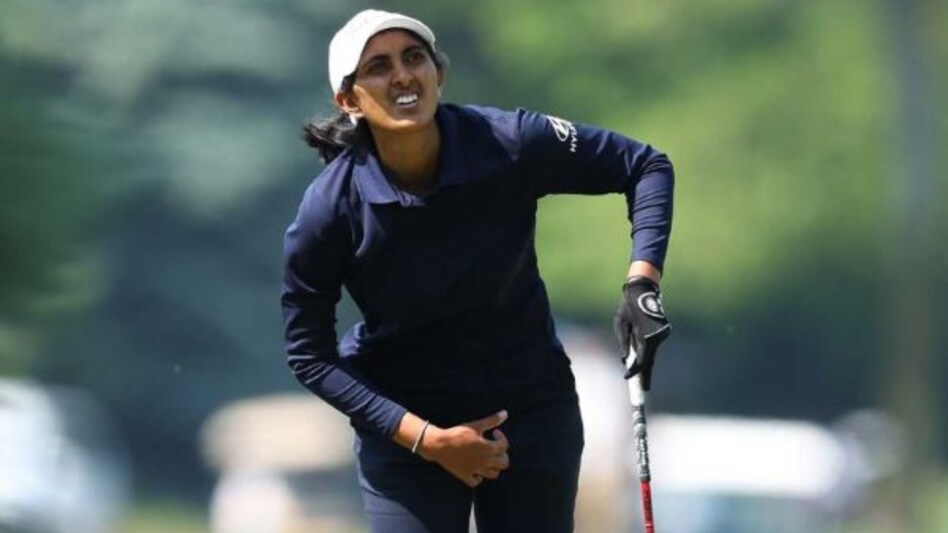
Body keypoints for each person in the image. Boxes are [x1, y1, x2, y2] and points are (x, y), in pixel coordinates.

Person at [281, 9, 674, 533]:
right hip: (408, 427)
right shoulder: (328, 210)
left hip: (531, 409)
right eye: (377, 66)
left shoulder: (509, 141)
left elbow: (645, 165)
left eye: (414, 57)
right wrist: (426, 439)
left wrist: (642, 279)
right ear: (349, 101)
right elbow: (309, 354)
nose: (401, 74)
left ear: (437, 74)